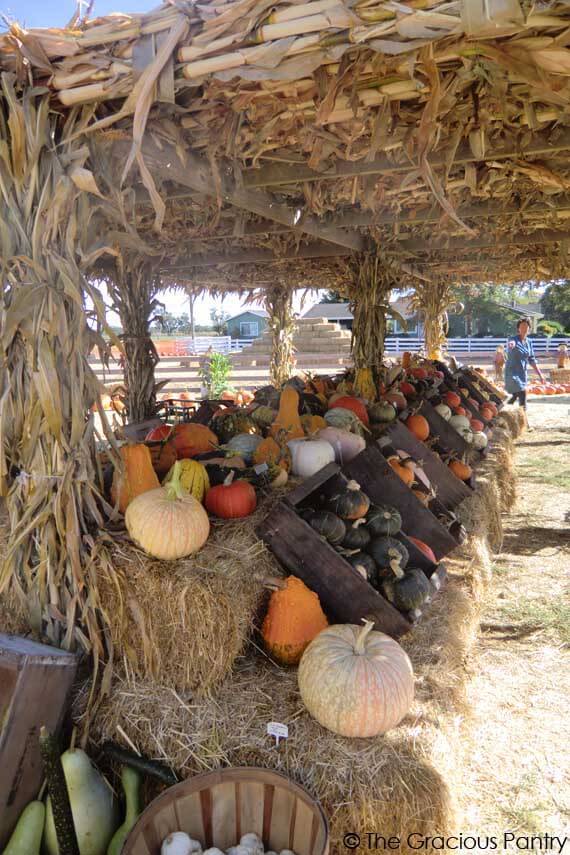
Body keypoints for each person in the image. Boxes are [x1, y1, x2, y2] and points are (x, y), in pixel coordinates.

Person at [504, 318, 545, 430]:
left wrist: (540, 375)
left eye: (526, 326)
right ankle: (525, 423)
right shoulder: (513, 339)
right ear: (518, 328)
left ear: (529, 328)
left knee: (514, 396)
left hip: (522, 373)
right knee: (522, 394)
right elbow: (510, 344)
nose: (524, 328)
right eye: (521, 326)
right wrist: (511, 345)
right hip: (512, 373)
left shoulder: (529, 342)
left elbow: (532, 359)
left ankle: (502, 411)